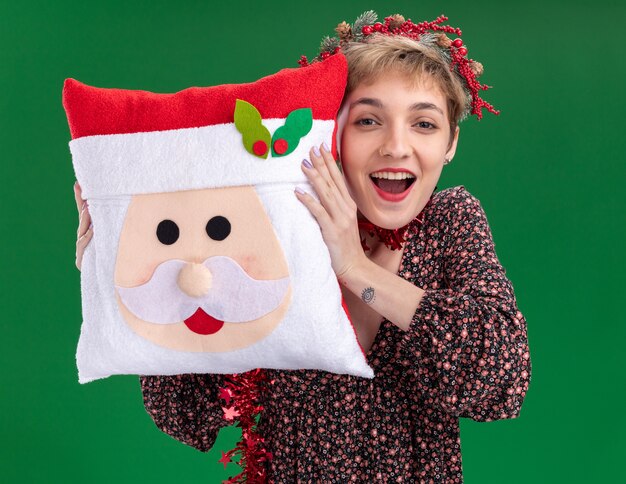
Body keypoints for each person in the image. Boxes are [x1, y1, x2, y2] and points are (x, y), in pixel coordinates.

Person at [73, 12, 531, 482]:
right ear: (332, 133)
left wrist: (355, 267)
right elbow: (186, 416)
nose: (397, 147)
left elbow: (501, 382)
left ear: (451, 142)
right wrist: (134, 275)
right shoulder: (279, 224)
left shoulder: (449, 221)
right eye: (369, 120)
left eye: (424, 124)